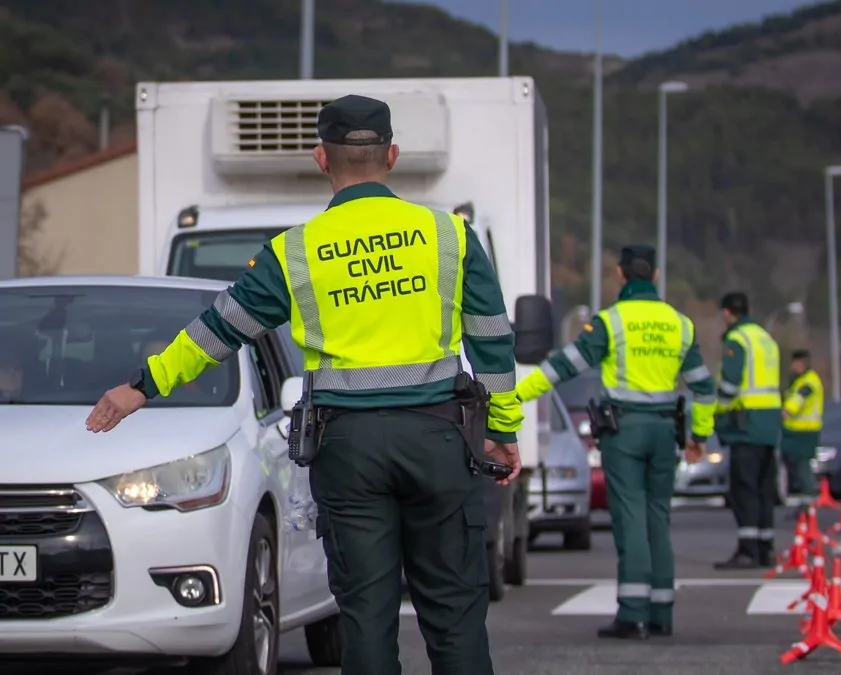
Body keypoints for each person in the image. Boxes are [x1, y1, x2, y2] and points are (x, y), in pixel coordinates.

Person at [85, 94, 522, 675]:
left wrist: (142, 386)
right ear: (392, 155)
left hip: (348, 448)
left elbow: (220, 330)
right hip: (438, 441)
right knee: (455, 615)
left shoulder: (294, 252)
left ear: (322, 159)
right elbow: (492, 340)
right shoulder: (451, 237)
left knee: (366, 616)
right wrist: (501, 428)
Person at [514, 244, 716, 640]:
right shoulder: (681, 324)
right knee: (658, 517)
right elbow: (705, 389)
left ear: (621, 276)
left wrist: (515, 395)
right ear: (655, 276)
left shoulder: (612, 322)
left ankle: (633, 613)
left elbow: (561, 367)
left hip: (624, 432)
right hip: (664, 433)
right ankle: (662, 612)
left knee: (630, 518)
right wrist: (699, 436)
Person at [712, 292, 783, 570]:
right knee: (765, 489)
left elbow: (730, 385)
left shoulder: (737, 340)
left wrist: (717, 412)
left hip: (746, 423)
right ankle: (766, 548)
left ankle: (748, 550)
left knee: (745, 490)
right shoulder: (766, 339)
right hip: (769, 424)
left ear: (729, 313)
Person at [781, 349, 823, 503]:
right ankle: (803, 502)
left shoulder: (808, 382)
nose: (793, 367)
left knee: (803, 468)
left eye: (796, 363)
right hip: (795, 431)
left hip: (805, 432)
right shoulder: (799, 381)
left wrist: (787, 411)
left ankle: (807, 504)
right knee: (796, 468)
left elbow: (798, 399)